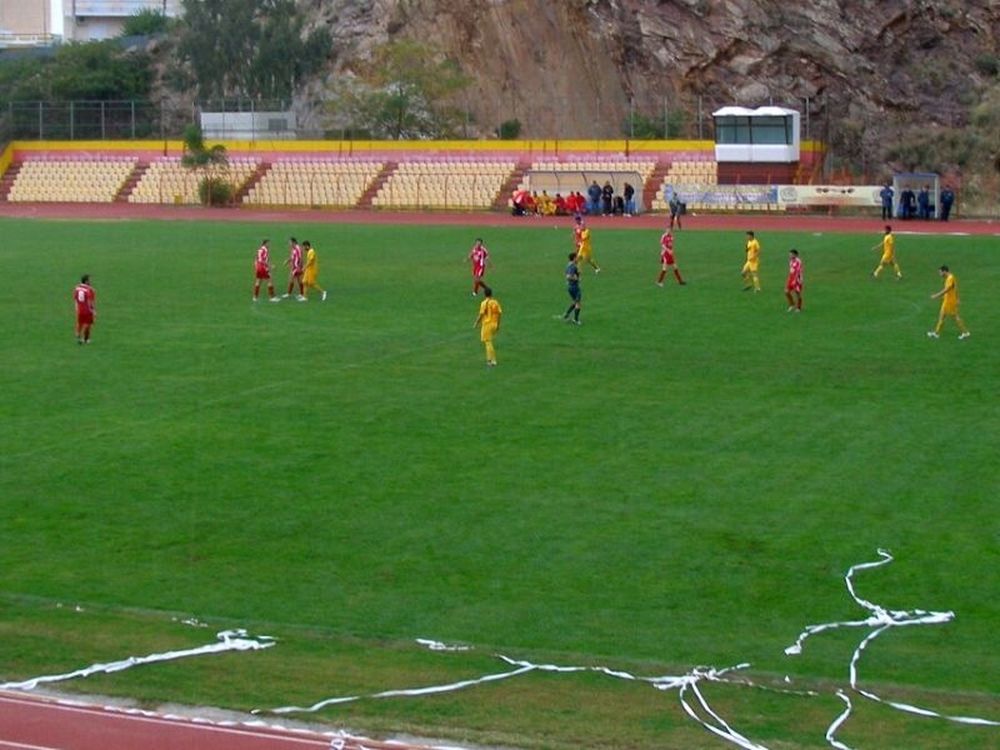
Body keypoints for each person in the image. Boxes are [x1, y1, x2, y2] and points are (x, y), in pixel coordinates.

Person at [927, 265, 970, 339]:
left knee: (954, 317)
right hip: (948, 300)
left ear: (944, 271)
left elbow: (947, 289)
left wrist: (936, 296)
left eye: (940, 272)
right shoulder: (950, 277)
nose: (940, 274)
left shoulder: (950, 278)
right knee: (942, 316)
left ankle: (965, 332)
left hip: (949, 302)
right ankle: (936, 333)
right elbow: (955, 289)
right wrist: (957, 298)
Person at [473, 286, 502, 367]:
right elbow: (500, 313)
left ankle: (492, 360)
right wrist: (498, 325)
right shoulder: (495, 302)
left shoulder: (484, 303)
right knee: (489, 341)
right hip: (494, 323)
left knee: (488, 342)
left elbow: (481, 314)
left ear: (484, 294)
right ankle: (491, 360)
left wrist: (476, 323)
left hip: (487, 324)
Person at [73, 274, 96, 344]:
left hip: (80, 310)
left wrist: (76, 308)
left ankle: (78, 337)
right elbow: (90, 301)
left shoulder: (76, 288)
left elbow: (75, 300)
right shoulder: (90, 290)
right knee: (88, 324)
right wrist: (93, 310)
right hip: (87, 310)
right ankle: (86, 339)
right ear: (86, 281)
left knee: (80, 324)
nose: (90, 281)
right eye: (89, 280)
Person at [283, 237, 306, 301]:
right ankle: (300, 293)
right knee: (297, 280)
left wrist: (299, 267)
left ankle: (291, 293)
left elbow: (301, 258)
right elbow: (292, 257)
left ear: (294, 242)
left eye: (290, 242)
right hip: (294, 267)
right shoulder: (293, 249)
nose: (289, 244)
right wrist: (287, 261)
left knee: (294, 279)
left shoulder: (298, 248)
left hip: (297, 267)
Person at [563, 252, 582, 325]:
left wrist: (578, 273)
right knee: (578, 303)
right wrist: (577, 279)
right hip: (574, 287)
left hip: (570, 287)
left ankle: (566, 314)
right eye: (576, 257)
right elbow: (568, 276)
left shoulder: (569, 265)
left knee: (575, 302)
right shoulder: (573, 266)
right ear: (574, 258)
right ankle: (576, 320)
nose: (577, 258)